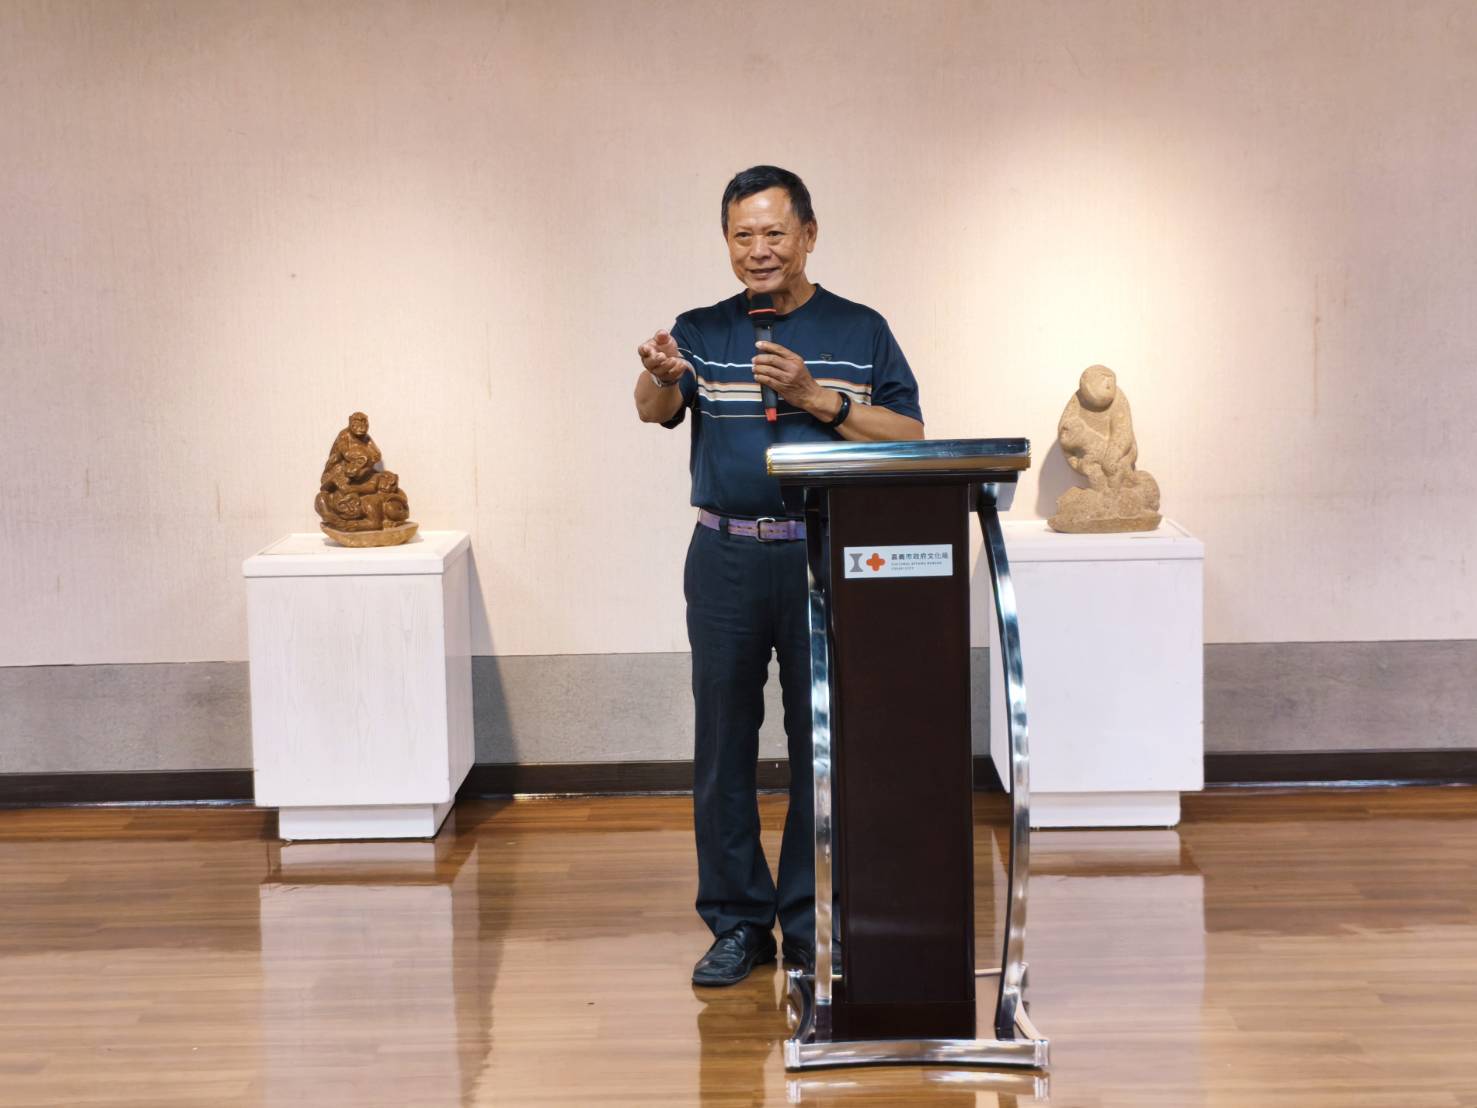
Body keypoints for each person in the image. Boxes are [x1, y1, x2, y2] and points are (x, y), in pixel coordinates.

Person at [634, 166, 924, 987]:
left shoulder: (861, 329)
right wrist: (660, 374)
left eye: (772, 233)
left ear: (808, 235)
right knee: (722, 746)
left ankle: (807, 921)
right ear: (727, 242)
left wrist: (816, 397)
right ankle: (736, 924)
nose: (757, 250)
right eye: (741, 235)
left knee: (818, 743)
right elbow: (656, 408)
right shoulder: (701, 329)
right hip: (723, 556)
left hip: (821, 554)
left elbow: (908, 434)